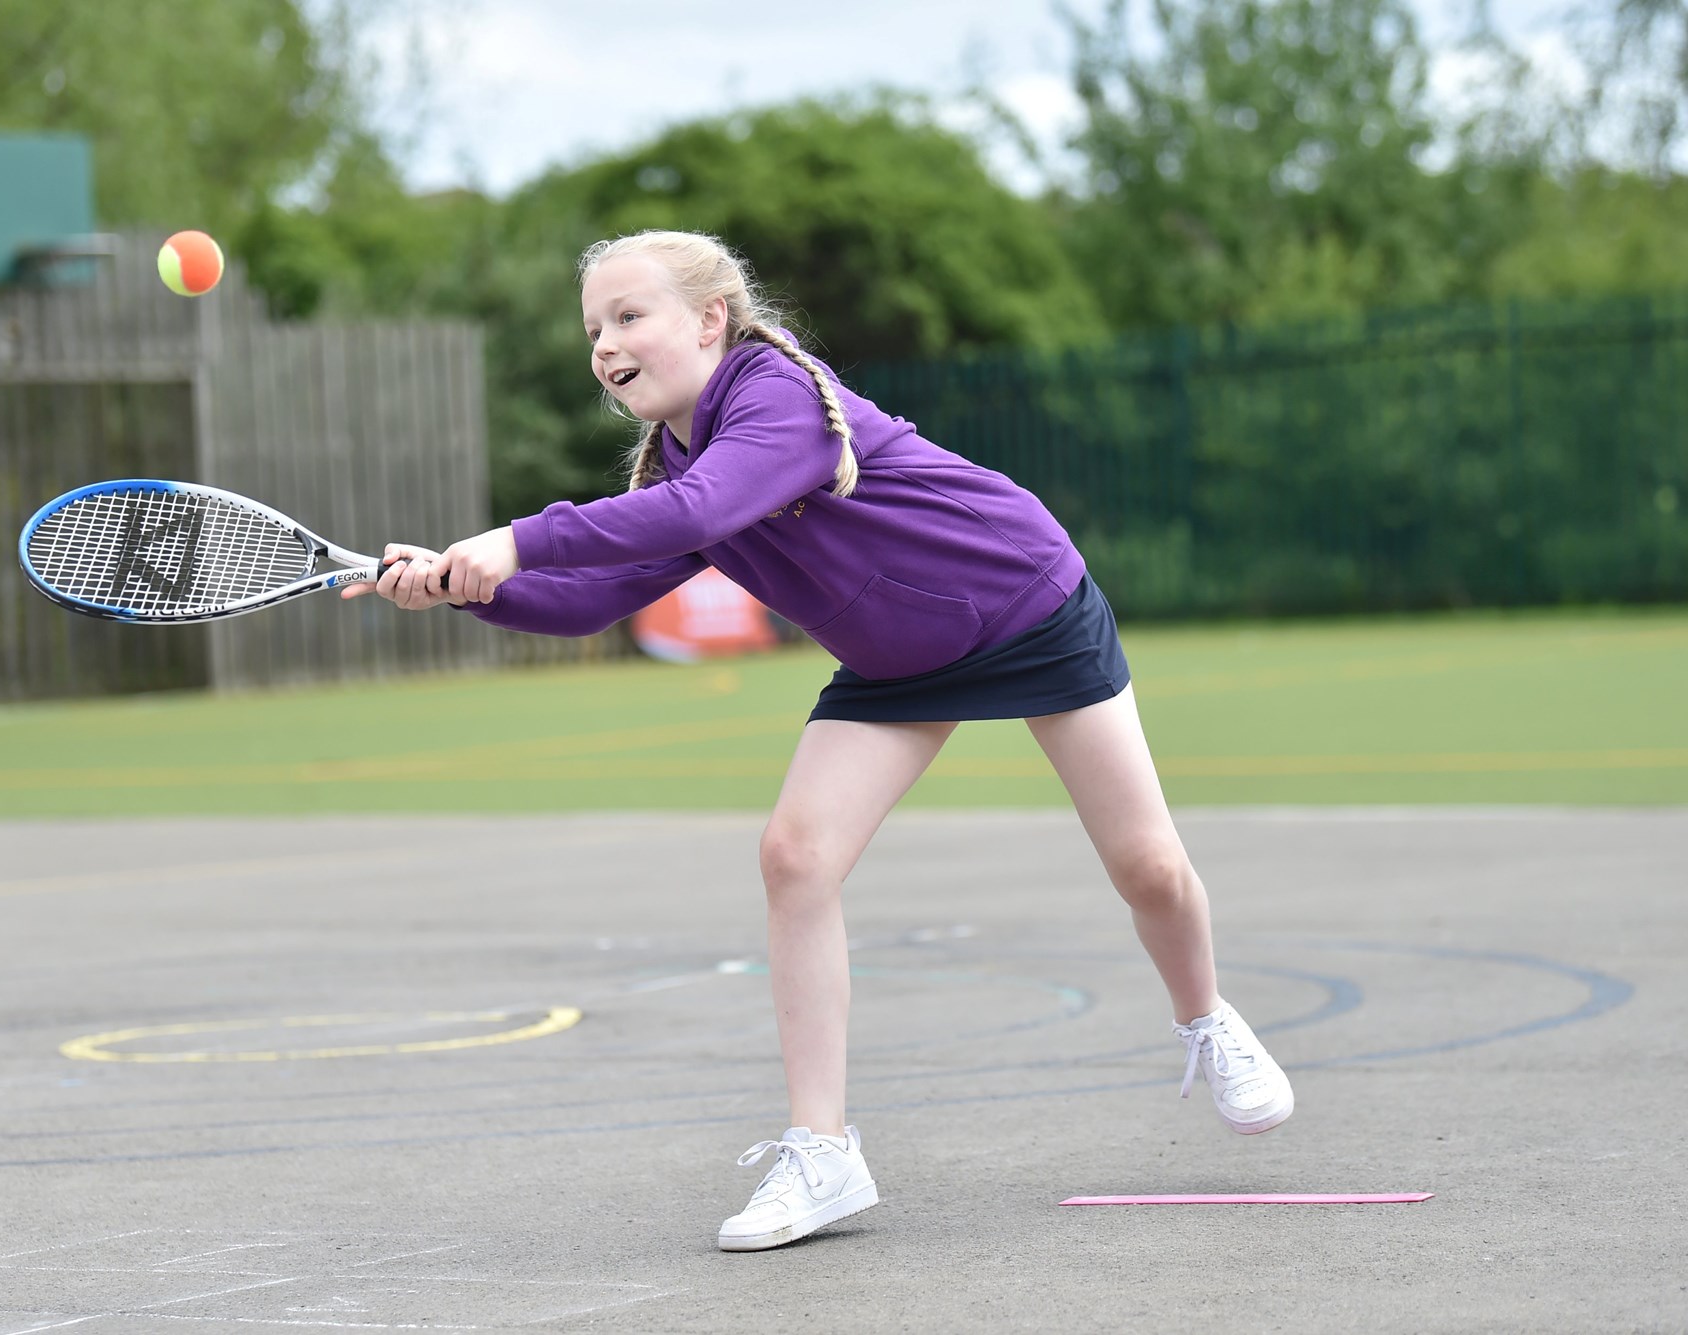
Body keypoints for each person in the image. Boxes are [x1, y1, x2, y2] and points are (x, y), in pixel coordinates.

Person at [341, 229, 1293, 1252]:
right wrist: (462, 591)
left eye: (628, 316)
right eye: (592, 329)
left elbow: (700, 508)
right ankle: (823, 1153)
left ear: (709, 320)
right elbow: (591, 600)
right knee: (794, 856)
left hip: (1023, 606)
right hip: (894, 663)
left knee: (1147, 867)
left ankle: (1204, 1017)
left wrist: (513, 538)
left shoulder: (773, 396)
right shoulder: (675, 458)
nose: (604, 345)